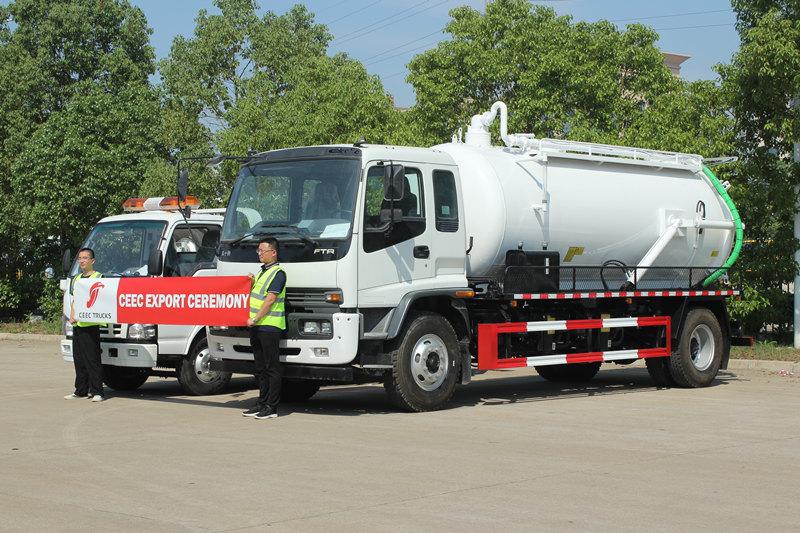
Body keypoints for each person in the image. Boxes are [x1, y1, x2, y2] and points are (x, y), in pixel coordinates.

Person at [242, 237, 287, 420]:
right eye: (258, 251)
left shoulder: (278, 273)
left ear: (273, 252)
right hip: (258, 326)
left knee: (271, 368)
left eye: (262, 251)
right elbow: (257, 295)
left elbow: (269, 300)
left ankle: (271, 407)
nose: (259, 254)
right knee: (260, 368)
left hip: (270, 326)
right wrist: (251, 282)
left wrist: (255, 318)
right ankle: (261, 403)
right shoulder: (262, 272)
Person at [64, 247, 105, 402]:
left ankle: (97, 392)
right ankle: (81, 390)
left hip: (91, 326)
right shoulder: (76, 279)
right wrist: (72, 316)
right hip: (78, 326)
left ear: (92, 261)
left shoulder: (99, 277)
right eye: (80, 258)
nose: (82, 261)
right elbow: (75, 301)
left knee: (92, 360)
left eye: (85, 258)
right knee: (79, 360)